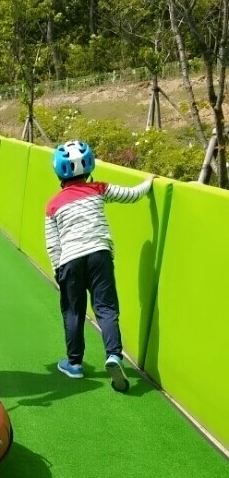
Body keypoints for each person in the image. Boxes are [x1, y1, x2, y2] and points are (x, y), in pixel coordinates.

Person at [45, 139, 154, 392]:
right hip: (99, 255)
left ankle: (74, 364)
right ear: (89, 166)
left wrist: (58, 271)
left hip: (70, 260)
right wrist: (148, 182)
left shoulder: (52, 205)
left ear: (59, 172)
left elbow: (53, 244)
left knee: (73, 312)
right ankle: (114, 355)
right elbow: (132, 195)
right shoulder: (99, 189)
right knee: (106, 308)